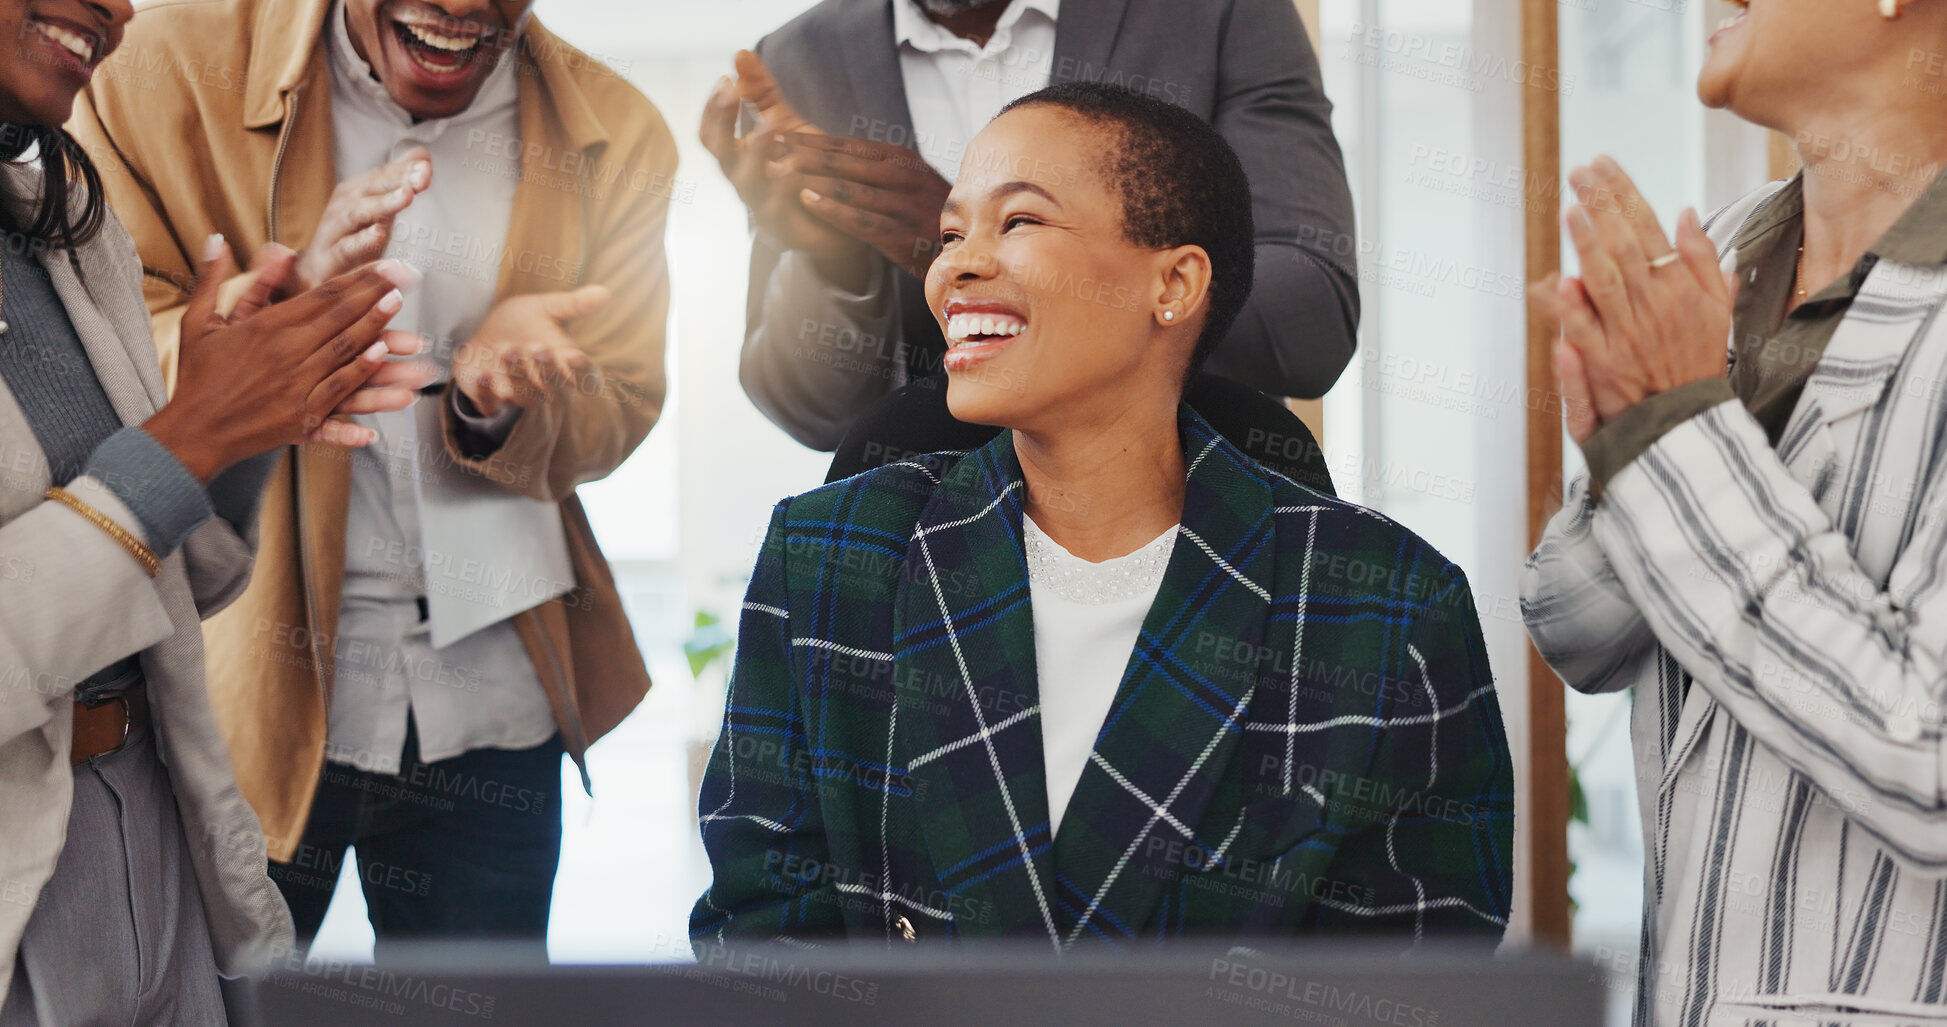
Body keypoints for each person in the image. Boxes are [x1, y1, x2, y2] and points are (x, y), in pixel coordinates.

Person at [692, 84, 1511, 949]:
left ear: (1173, 282)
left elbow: (1414, 979)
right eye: (949, 234)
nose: (955, 267)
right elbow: (761, 937)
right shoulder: (826, 559)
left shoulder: (1390, 607)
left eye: (1018, 223)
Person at [68, 0, 678, 951]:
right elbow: (90, 348)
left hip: (495, 705)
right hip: (239, 706)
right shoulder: (154, 70)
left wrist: (499, 400)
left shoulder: (618, 128)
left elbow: (624, 401)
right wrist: (274, 330)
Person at [1523, 1, 1947, 1021]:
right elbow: (1573, 630)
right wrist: (1643, 435)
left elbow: (1930, 762)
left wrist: (1670, 432)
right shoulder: (1713, 263)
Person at [0, 0, 423, 1017]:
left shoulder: (66, 224)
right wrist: (188, 434)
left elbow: (174, 581)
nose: (121, 9)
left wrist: (239, 423)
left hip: (150, 811)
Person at [707, 0, 1359, 460]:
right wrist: (827, 263)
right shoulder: (800, 58)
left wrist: (970, 250)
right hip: (921, 566)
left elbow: (1309, 323)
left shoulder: (1220, 12)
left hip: (1198, 527)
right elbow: (807, 411)